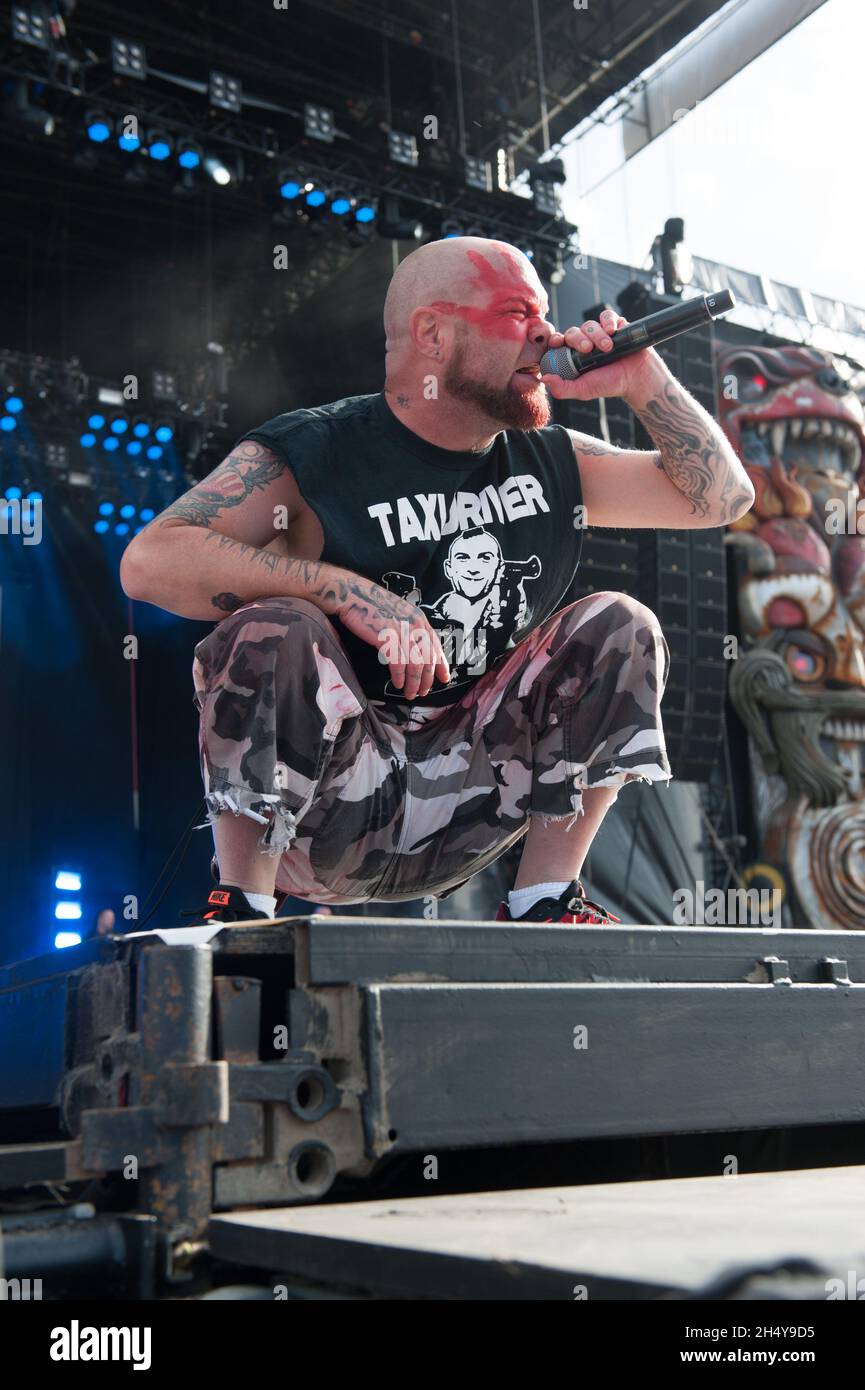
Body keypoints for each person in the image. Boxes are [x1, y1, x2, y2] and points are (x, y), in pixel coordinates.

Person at [120, 237, 754, 926]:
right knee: (274, 625)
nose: (545, 332)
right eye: (517, 312)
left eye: (545, 313)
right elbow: (150, 563)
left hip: (476, 795)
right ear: (432, 331)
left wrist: (641, 379)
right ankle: (242, 905)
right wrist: (343, 591)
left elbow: (718, 500)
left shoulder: (550, 459)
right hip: (327, 806)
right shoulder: (318, 448)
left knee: (619, 623)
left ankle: (545, 899)